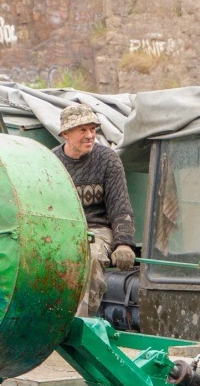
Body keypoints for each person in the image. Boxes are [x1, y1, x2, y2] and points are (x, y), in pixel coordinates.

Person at [53, 103, 137, 317]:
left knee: (90, 257)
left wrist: (124, 243)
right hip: (63, 230)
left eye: (93, 129)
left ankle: (79, 323)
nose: (90, 135)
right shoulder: (50, 162)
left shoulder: (108, 159)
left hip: (97, 230)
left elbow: (120, 207)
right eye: (83, 130)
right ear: (65, 133)